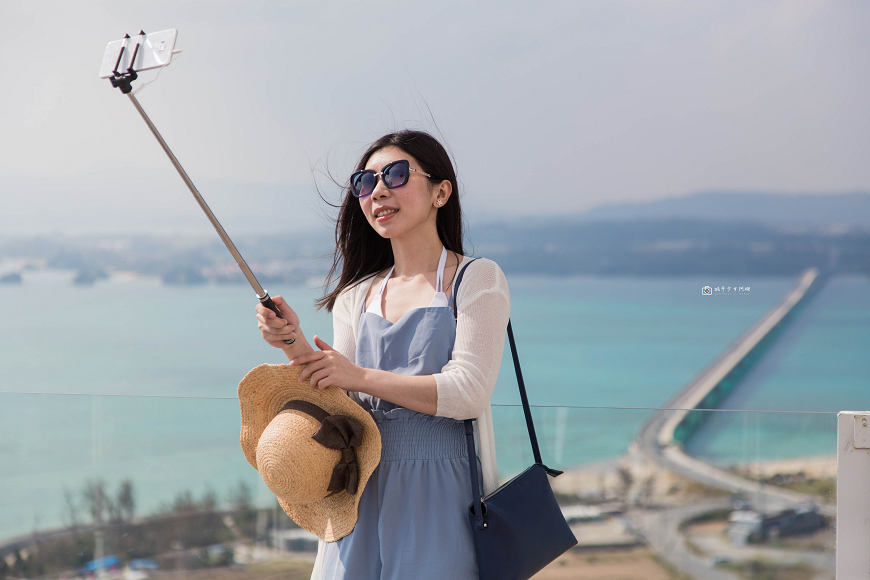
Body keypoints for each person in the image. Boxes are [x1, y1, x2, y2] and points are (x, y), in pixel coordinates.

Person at [255, 130, 510, 579]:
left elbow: (468, 392)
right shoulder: (358, 295)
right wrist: (291, 340)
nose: (379, 191)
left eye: (395, 174)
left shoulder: (476, 279)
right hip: (360, 490)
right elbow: (340, 397)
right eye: (365, 182)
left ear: (441, 192)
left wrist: (359, 376)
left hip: (443, 494)